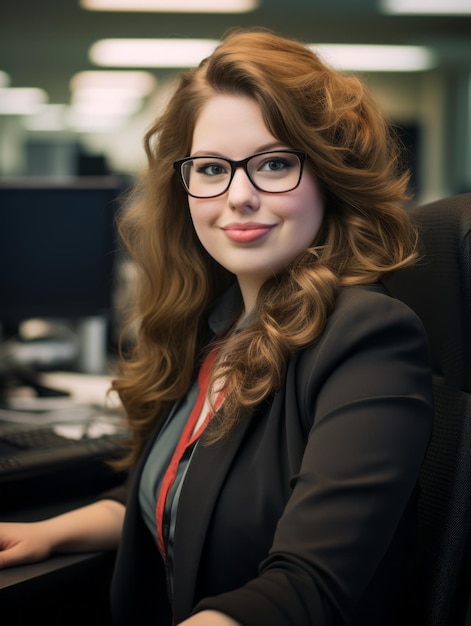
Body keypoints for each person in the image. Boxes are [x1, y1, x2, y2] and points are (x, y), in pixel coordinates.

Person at [0, 28, 433, 626]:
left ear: (329, 177)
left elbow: (306, 587)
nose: (239, 195)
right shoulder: (221, 324)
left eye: (275, 163)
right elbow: (176, 490)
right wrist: (48, 534)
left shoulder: (369, 337)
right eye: (211, 168)